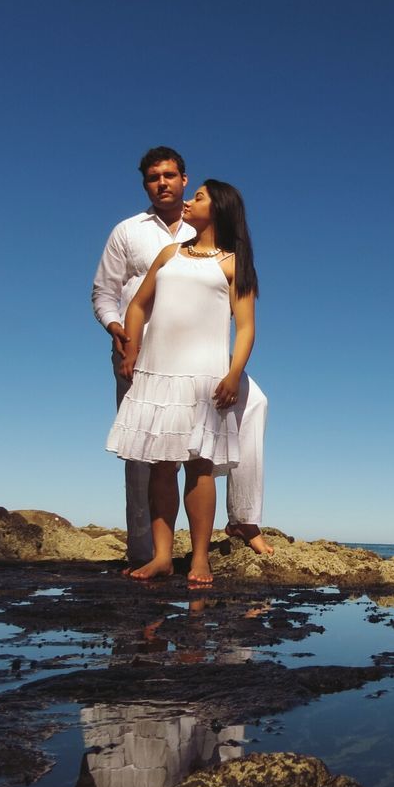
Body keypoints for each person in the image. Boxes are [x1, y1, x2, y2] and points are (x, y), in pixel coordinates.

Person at [93, 148, 272, 561]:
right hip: (144, 353)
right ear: (145, 184)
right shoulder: (131, 231)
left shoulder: (222, 253)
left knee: (247, 411)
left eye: (170, 175)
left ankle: (241, 520)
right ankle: (148, 552)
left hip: (203, 360)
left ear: (184, 179)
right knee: (151, 456)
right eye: (153, 177)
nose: (163, 183)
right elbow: (109, 294)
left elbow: (244, 322)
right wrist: (122, 335)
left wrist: (232, 371)